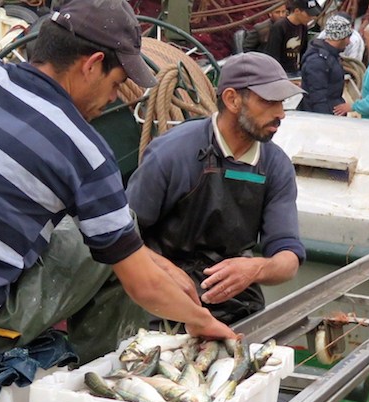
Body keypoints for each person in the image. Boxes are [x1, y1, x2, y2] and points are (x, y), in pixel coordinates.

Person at [0, 0, 236, 365]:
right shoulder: (85, 151)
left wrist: (158, 265)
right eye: (117, 83)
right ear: (91, 65)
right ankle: (101, 380)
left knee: (99, 235)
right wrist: (202, 321)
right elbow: (144, 287)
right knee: (111, 238)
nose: (112, 98)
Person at [127, 52, 305, 325]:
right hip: (161, 305)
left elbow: (288, 258)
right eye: (269, 101)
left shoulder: (276, 165)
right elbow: (121, 237)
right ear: (232, 99)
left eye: (281, 102)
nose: (280, 113)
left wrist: (256, 268)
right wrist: (167, 272)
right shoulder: (172, 154)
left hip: (237, 306)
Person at [298, 14, 351, 114]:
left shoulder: (333, 56)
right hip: (322, 118)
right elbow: (317, 98)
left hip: (333, 112)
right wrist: (325, 122)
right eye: (347, 37)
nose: (349, 42)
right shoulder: (317, 62)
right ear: (340, 37)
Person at [263, 0, 322, 75]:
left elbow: (303, 51)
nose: (311, 17)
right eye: (309, 14)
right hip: (280, 72)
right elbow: (273, 54)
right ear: (297, 11)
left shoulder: (303, 26)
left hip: (294, 69)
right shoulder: (280, 27)